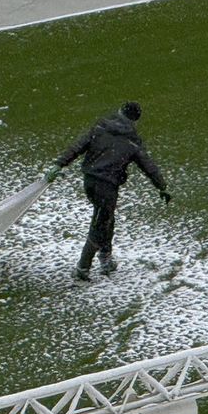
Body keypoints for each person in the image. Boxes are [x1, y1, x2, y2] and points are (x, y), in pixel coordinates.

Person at [44, 101, 171, 282]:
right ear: (135, 121)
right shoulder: (132, 141)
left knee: (106, 218)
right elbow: (148, 166)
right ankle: (83, 267)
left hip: (89, 181)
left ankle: (105, 258)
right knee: (100, 224)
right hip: (107, 187)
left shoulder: (100, 128)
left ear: (119, 112)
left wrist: (59, 164)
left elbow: (77, 147)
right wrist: (162, 187)